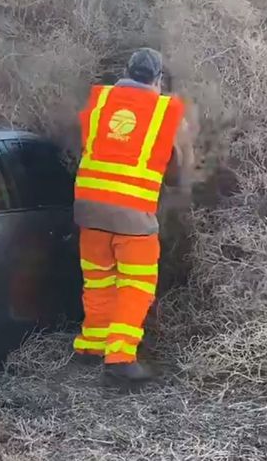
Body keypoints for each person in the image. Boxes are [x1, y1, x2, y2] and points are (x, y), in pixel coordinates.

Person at [71, 48, 193, 384]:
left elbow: (90, 146)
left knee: (98, 278)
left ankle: (90, 347)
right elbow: (178, 164)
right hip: (132, 214)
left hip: (89, 209)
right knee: (136, 284)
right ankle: (121, 359)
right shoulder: (165, 111)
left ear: (125, 71)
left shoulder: (100, 102)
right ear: (157, 79)